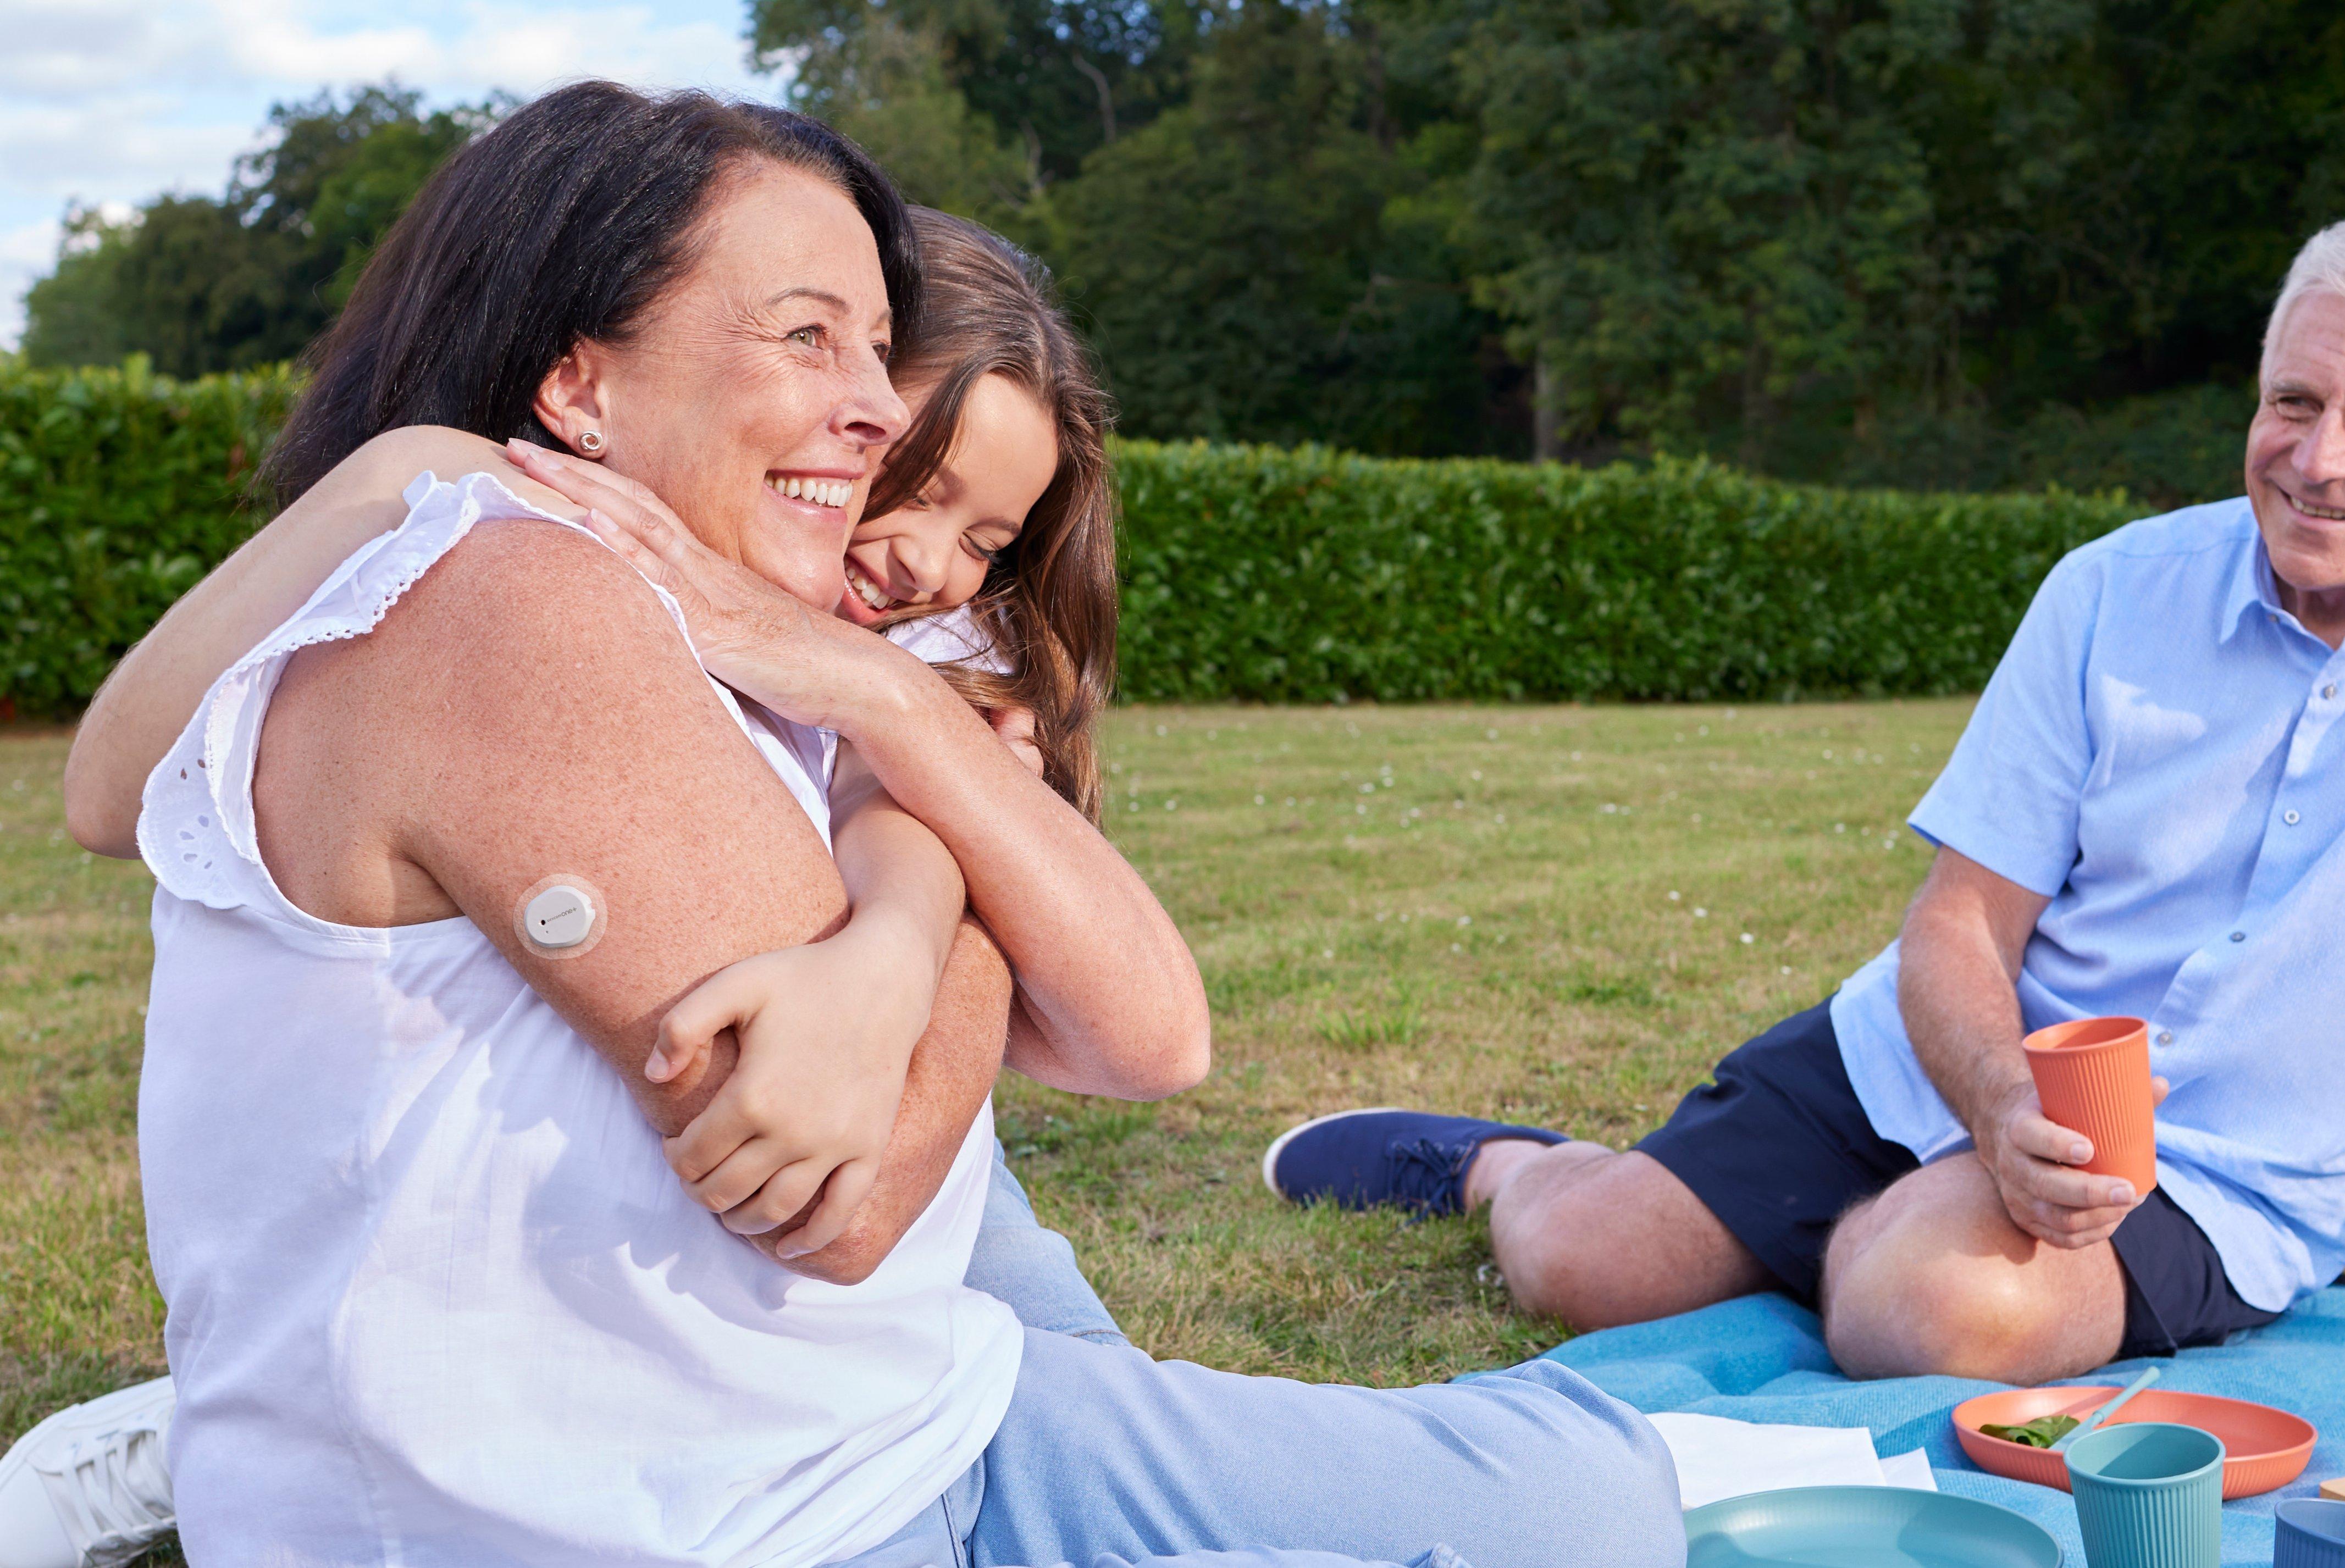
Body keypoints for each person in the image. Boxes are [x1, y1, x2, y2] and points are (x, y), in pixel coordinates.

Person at [3, 85, 1679, 1568]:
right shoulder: (514, 592)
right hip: (791, 1477)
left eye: (878, 351)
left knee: (1593, 1496)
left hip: (882, 1401)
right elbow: (854, 1179)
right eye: (811, 340)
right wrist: (414, 467)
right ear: (576, 379)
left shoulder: (817, 647)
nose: (874, 422)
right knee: (1552, 1508)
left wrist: (898, 776)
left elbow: (1146, 1038)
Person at [1269, 214, 2345, 1387]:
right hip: (1937, 1058)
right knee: (1579, 1259)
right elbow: (1961, 918)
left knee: (1926, 1308)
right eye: (2289, 402)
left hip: (2212, 1180)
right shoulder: (2111, 589)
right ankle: (1499, 1161)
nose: (2314, 460)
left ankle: (1876, 1238)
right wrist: (1998, 1104)